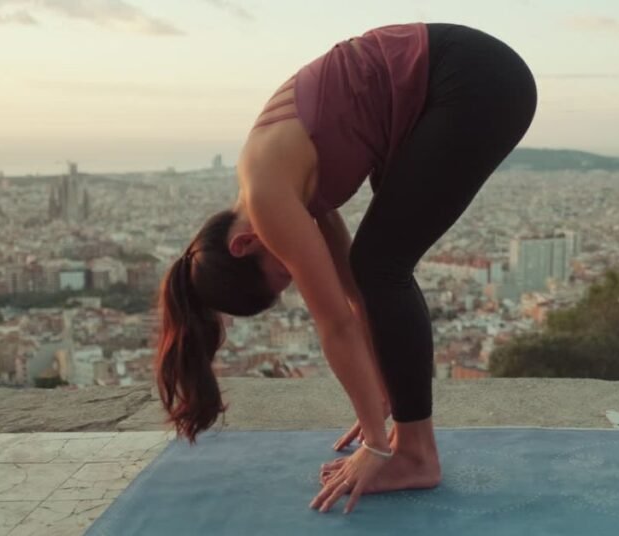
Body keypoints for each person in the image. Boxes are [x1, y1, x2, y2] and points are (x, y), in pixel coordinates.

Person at [153, 22, 536, 515]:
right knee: (378, 267)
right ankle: (410, 437)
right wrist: (380, 397)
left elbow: (334, 321)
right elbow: (356, 293)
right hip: (470, 73)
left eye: (283, 271)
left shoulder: (268, 196)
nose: (296, 271)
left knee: (383, 264)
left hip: (470, 77)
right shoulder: (281, 178)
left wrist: (376, 445)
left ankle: (416, 455)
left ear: (246, 244)